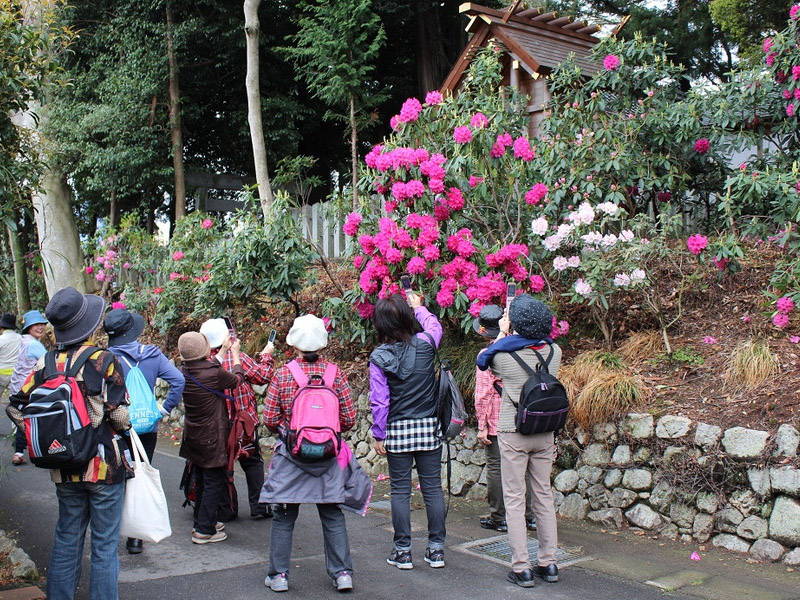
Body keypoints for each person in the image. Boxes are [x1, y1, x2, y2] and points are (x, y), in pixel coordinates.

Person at [6, 287, 131, 600]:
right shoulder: (103, 360)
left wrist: (46, 436)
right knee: (103, 547)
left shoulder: (45, 364)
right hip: (103, 467)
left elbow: (15, 404)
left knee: (66, 540)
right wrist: (98, 419)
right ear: (87, 324)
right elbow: (121, 418)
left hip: (63, 467)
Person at [261, 314, 369, 594]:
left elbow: (270, 418)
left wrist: (290, 434)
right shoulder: (335, 373)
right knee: (332, 514)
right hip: (329, 457)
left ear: (294, 343)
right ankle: (343, 573)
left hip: (291, 457)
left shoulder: (284, 374)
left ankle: (279, 576)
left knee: (284, 516)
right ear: (322, 343)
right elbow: (348, 419)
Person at [477, 294, 561, 588]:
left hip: (513, 432)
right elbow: (539, 344)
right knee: (543, 496)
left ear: (516, 326)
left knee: (514, 499)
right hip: (545, 431)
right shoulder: (555, 352)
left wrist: (502, 331)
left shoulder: (502, 357)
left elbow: (483, 360)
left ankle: (522, 567)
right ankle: (549, 563)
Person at [369, 292, 446, 570]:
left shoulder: (378, 356)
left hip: (397, 430)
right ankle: (436, 550)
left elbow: (380, 400)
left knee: (400, 491)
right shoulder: (426, 343)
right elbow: (435, 327)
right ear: (406, 317)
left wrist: (380, 433)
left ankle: (402, 552)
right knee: (433, 490)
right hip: (428, 427)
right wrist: (420, 308)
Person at [104, 308, 185, 554]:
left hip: (117, 426)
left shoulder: (106, 358)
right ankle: (135, 537)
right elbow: (179, 380)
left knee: (115, 476)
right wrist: (164, 409)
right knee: (139, 473)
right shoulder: (152, 354)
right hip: (146, 426)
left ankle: (109, 531)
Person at [199, 318, 274, 519]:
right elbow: (263, 376)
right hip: (244, 423)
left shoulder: (201, 365)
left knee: (221, 465)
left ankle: (227, 509)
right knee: (252, 461)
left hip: (217, 426)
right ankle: (260, 506)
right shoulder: (238, 359)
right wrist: (267, 356)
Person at [473, 305, 537, 533]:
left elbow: (483, 394)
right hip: (525, 416)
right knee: (526, 468)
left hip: (498, 420)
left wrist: (482, 425)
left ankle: (499, 517)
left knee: (497, 468)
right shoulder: (523, 349)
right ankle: (530, 516)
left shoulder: (487, 356)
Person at [178, 331, 245, 544]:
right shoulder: (214, 374)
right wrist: (235, 355)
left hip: (193, 436)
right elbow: (236, 380)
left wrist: (223, 349)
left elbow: (208, 368)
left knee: (200, 477)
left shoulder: (184, 371)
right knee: (214, 480)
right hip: (212, 437)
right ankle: (204, 530)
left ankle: (202, 520)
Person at [8, 310, 49, 465]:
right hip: (28, 387)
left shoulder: (23, 340)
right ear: (28, 327)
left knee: (24, 419)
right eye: (35, 325)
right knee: (35, 417)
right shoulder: (33, 344)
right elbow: (48, 362)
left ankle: (19, 452)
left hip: (18, 386)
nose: (40, 327)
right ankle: (43, 450)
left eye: (41, 324)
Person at [0, 312, 21, 399]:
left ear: (1, 328)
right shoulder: (21, 338)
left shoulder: (1, 340)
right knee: (14, 399)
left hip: (1, 375)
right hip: (16, 374)